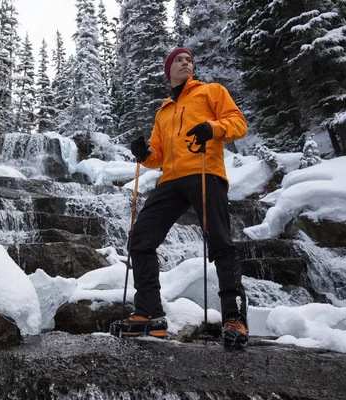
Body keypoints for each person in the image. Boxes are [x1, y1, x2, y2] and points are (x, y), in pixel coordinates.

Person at [121, 47, 249, 348]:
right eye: (179, 60)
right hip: (170, 179)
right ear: (169, 70)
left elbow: (238, 124)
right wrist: (144, 153)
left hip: (205, 171)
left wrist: (212, 127)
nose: (186, 63)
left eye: (189, 59)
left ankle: (234, 318)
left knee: (220, 242)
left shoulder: (211, 92)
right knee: (140, 239)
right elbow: (157, 155)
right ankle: (149, 313)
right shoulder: (163, 111)